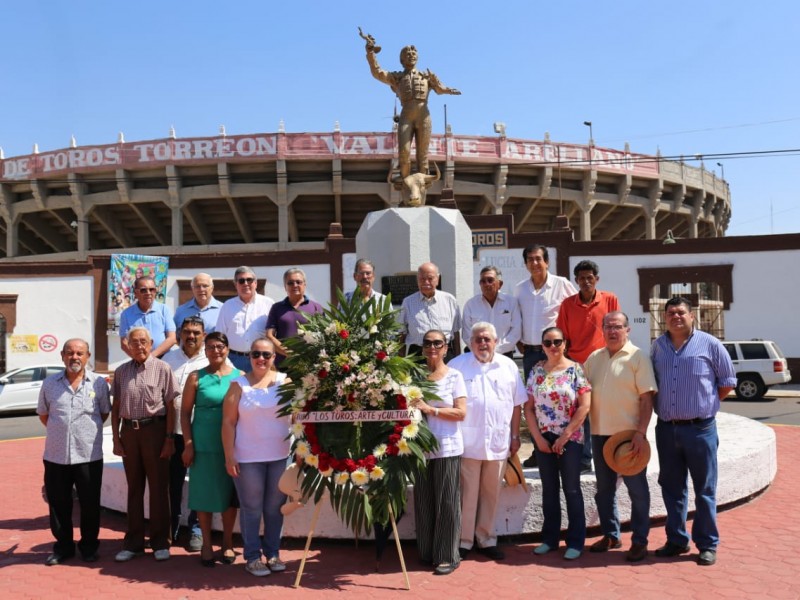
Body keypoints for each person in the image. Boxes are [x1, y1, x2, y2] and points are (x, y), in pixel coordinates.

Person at [650, 297, 736, 567]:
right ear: (664, 317)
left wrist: (704, 405)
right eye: (671, 313)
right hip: (666, 430)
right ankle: (676, 540)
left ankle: (707, 544)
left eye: (681, 312)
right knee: (672, 489)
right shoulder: (658, 347)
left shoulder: (710, 344)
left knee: (705, 490)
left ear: (692, 316)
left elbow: (727, 382)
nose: (676, 316)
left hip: (700, 430)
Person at [583, 311, 656, 562]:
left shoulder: (638, 357)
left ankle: (640, 541)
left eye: (618, 327)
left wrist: (641, 433)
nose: (613, 331)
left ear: (627, 329)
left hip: (629, 437)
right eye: (608, 327)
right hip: (600, 435)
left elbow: (647, 399)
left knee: (637, 491)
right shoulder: (594, 358)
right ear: (602, 330)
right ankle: (611, 535)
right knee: (603, 491)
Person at [449, 322, 526, 561]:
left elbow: (516, 405)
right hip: (468, 442)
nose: (483, 343)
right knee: (467, 494)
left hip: (498, 442)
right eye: (478, 339)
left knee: (491, 493)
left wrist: (515, 437)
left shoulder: (508, 366)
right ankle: (463, 541)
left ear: (495, 341)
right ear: (469, 343)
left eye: (487, 339)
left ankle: (486, 539)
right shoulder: (457, 366)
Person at [37, 339, 111, 566]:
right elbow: (44, 415)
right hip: (56, 455)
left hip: (88, 456)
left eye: (79, 353)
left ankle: (89, 548)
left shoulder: (98, 384)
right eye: (70, 353)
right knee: (59, 505)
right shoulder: (50, 384)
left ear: (88, 356)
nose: (75, 357)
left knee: (89, 503)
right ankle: (63, 548)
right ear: (62, 356)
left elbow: (104, 413)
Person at [222, 338, 292, 577]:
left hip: (280, 456)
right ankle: (252, 557)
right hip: (248, 457)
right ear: (249, 356)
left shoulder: (285, 382)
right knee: (251, 508)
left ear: (274, 357)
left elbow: (298, 417)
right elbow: (228, 423)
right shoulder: (238, 385)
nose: (261, 359)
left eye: (266, 354)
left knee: (275, 508)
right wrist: (229, 455)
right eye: (256, 354)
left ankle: (272, 553)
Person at [111, 327, 180, 562]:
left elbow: (172, 406)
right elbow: (116, 406)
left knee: (159, 488)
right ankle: (133, 543)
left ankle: (161, 542)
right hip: (130, 432)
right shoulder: (121, 372)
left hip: (156, 431)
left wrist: (169, 438)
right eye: (134, 342)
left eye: (143, 342)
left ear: (151, 343)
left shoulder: (163, 368)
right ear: (127, 345)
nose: (139, 346)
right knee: (134, 488)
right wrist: (116, 437)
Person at [525, 326, 591, 560]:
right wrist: (538, 439)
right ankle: (550, 539)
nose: (552, 347)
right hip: (544, 439)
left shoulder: (575, 370)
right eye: (547, 342)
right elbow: (529, 408)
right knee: (549, 490)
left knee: (571, 489)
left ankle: (575, 542)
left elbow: (584, 406)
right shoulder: (536, 371)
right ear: (542, 345)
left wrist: (565, 436)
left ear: (565, 344)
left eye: (557, 342)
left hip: (570, 439)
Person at [181, 331, 242, 567]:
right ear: (204, 351)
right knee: (203, 498)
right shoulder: (196, 377)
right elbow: (185, 414)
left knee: (228, 498)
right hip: (202, 447)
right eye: (210, 347)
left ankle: (227, 543)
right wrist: (188, 444)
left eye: (219, 346)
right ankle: (206, 544)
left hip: (230, 448)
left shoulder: (240, 377)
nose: (215, 351)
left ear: (227, 349)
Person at [410, 329, 466, 576]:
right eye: (427, 343)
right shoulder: (416, 376)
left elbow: (461, 413)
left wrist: (430, 410)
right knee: (423, 501)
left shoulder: (455, 376)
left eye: (437, 343)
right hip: (420, 448)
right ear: (422, 348)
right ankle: (427, 551)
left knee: (446, 502)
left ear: (445, 348)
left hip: (447, 447)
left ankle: (447, 556)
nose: (432, 347)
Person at [364, 35, 460, 178]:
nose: (411, 56)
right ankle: (405, 184)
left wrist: (448, 90)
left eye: (414, 54)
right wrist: (370, 53)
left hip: (424, 116)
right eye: (407, 55)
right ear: (402, 60)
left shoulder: (426, 75)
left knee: (422, 155)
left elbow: (439, 89)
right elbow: (377, 73)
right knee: (404, 153)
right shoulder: (397, 77)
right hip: (406, 115)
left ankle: (421, 189)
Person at [556, 259, 621, 472]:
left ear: (597, 279)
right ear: (576, 281)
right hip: (576, 365)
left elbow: (616, 329)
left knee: (605, 410)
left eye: (589, 278)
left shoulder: (610, 299)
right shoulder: (567, 305)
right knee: (579, 412)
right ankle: (584, 460)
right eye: (581, 278)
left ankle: (611, 456)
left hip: (604, 362)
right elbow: (562, 337)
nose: (586, 281)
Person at [515, 245, 576, 468]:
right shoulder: (520, 289)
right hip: (531, 354)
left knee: (566, 400)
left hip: (556, 352)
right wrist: (519, 341)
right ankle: (538, 450)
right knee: (534, 403)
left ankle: (570, 449)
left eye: (538, 259)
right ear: (526, 264)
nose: (534, 263)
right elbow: (517, 317)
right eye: (530, 259)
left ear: (547, 262)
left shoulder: (562, 285)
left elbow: (573, 311)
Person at [161, 316, 208, 551]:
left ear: (204, 336)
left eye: (196, 333)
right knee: (173, 483)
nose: (191, 336)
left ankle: (196, 529)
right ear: (179, 333)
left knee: (199, 483)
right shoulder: (168, 360)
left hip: (202, 433)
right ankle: (171, 527)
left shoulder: (213, 359)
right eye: (187, 332)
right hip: (174, 433)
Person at [216, 266, 275, 372]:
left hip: (261, 359)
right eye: (241, 281)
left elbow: (275, 334)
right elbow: (220, 335)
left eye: (249, 280)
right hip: (234, 360)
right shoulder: (227, 306)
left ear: (256, 283)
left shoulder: (268, 304)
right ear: (236, 285)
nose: (246, 283)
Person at [399, 262, 461, 361]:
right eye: (422, 279)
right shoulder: (408, 302)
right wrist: (401, 363)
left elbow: (455, 333)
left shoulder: (450, 300)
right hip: (418, 355)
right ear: (417, 280)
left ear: (438, 279)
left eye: (430, 278)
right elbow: (402, 333)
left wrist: (458, 360)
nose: (426, 282)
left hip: (444, 355)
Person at [265, 268, 324, 366]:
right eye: (290, 283)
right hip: (283, 364)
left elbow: (323, 335)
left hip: (309, 364)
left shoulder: (316, 307)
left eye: (298, 282)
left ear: (304, 285)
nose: (295, 285)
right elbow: (269, 335)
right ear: (285, 286)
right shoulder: (277, 308)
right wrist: (290, 353)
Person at [461, 266, 521, 358]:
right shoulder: (471, 305)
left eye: (490, 280)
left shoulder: (511, 302)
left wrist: (495, 350)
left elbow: (516, 332)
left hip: (504, 355)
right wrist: (482, 350)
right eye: (483, 281)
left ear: (500, 284)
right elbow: (467, 334)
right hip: (476, 355)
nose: (486, 284)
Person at [119, 276, 177, 358]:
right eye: (143, 290)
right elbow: (124, 343)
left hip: (165, 359)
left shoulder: (164, 310)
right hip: (139, 362)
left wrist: (151, 356)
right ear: (135, 293)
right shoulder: (126, 314)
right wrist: (140, 359)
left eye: (152, 289)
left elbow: (172, 338)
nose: (148, 293)